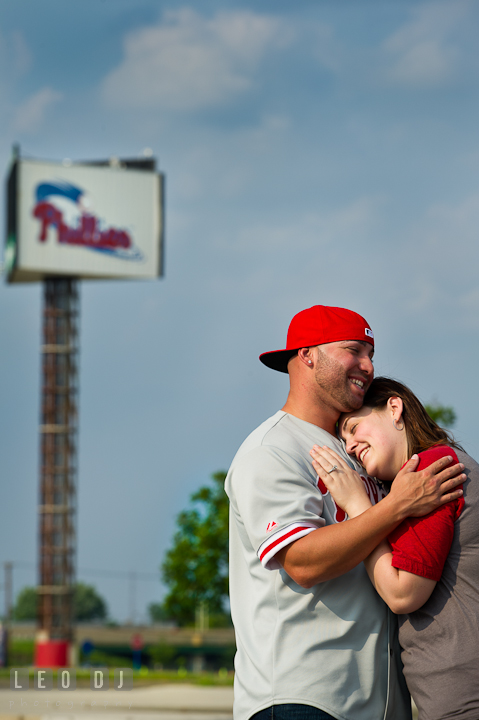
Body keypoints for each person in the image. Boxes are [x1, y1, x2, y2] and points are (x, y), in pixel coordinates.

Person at [225, 305, 464, 720]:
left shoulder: (358, 449)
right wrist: (395, 506)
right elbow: (300, 560)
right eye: (354, 350)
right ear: (307, 355)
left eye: (371, 353)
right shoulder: (272, 449)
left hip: (375, 700)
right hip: (304, 696)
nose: (368, 366)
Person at [311, 377, 479, 720]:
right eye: (343, 439)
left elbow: (404, 593)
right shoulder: (415, 483)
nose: (350, 445)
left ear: (394, 408)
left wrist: (360, 509)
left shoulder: (432, 472)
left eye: (354, 427)